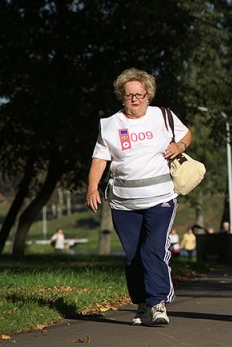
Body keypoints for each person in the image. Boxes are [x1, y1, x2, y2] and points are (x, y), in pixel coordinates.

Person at [85, 68, 192, 326]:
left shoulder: (162, 116)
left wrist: (180, 146)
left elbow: (187, 134)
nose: (135, 99)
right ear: (121, 97)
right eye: (129, 95)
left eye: (140, 94)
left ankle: (158, 302)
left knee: (153, 249)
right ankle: (142, 303)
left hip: (161, 198)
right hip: (123, 203)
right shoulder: (110, 125)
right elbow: (100, 158)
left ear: (148, 95)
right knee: (133, 255)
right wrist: (92, 187)